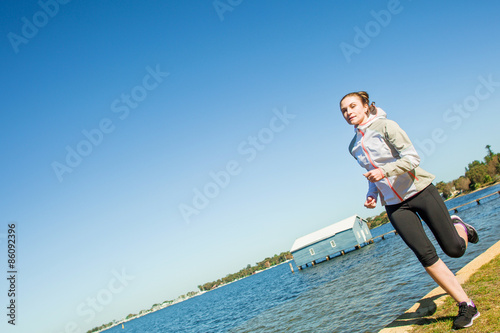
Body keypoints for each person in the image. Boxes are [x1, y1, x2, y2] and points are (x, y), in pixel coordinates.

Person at [339, 91, 480, 330]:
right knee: (425, 255)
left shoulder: (386, 126)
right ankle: (466, 304)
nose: (348, 112)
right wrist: (372, 193)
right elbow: (372, 175)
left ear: (365, 106)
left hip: (420, 191)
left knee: (455, 249)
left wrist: (385, 172)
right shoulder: (353, 147)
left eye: (353, 106)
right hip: (395, 206)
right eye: (344, 110)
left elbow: (413, 158)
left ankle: (460, 226)